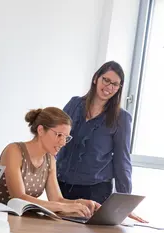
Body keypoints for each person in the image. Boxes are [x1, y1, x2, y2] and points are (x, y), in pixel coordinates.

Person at [56, 61, 147, 223]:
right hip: (61, 186)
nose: (109, 87)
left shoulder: (121, 118)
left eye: (115, 84)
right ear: (96, 78)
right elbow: (54, 139)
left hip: (95, 191)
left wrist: (124, 204)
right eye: (106, 80)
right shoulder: (74, 104)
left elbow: (122, 161)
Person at [0, 107, 101, 218]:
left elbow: (57, 199)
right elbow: (19, 197)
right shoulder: (14, 151)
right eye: (59, 135)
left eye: (66, 137)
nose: (63, 143)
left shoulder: (50, 159)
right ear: (41, 130)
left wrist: (80, 203)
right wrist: (62, 207)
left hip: (21, 219)